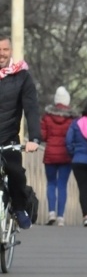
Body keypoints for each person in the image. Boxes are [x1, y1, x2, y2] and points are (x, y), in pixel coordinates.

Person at [0, 35, 41, 229]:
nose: (1, 54)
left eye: (5, 50)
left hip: (8, 138)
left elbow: (31, 109)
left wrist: (34, 138)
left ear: (10, 52)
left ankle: (18, 208)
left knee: (16, 172)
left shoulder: (21, 76)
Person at [40, 86, 78, 226]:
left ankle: (51, 213)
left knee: (51, 183)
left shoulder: (47, 117)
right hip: (66, 155)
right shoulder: (72, 119)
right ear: (67, 101)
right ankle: (61, 217)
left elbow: (42, 135)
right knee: (62, 185)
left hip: (50, 154)